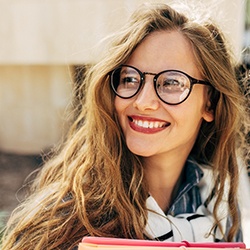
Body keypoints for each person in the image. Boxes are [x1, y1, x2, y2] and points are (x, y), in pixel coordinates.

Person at [1, 2, 249, 249]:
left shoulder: (220, 207)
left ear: (210, 103)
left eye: (172, 82)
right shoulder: (70, 219)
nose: (143, 102)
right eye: (130, 79)